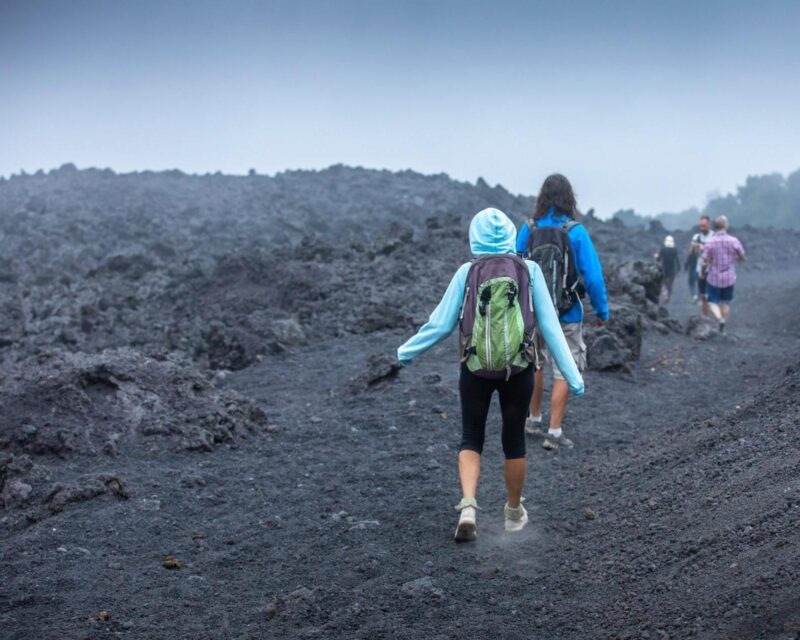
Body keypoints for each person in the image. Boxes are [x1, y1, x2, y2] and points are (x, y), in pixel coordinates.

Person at [397, 208, 584, 542]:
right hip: (520, 369)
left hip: (475, 368)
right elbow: (551, 327)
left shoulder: (467, 272)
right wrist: (572, 375)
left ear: (475, 238)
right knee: (513, 441)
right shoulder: (530, 270)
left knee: (472, 436)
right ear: (510, 236)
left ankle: (468, 506)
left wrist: (406, 352)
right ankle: (513, 513)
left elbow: (440, 325)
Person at [516, 174, 608, 450]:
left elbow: (514, 268)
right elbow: (592, 276)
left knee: (535, 363)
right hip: (567, 314)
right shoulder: (575, 231)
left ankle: (532, 420)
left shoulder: (527, 229)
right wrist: (602, 310)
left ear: (542, 197)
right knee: (563, 370)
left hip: (532, 313)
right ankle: (554, 432)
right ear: (570, 198)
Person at [701, 215, 745, 333]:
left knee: (712, 302)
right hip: (729, 277)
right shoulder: (733, 240)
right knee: (726, 301)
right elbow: (742, 256)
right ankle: (723, 327)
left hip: (714, 277)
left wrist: (701, 272)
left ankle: (720, 319)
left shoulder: (710, 242)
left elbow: (704, 261)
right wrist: (736, 258)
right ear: (725, 225)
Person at [690, 215, 714, 316]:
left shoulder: (715, 236)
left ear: (709, 224)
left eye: (704, 226)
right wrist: (693, 247)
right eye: (700, 226)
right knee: (703, 296)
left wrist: (703, 247)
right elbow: (692, 254)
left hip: (713, 269)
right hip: (700, 270)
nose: (702, 228)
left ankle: (716, 315)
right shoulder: (696, 237)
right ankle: (706, 318)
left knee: (711, 296)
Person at [656, 235, 681, 304]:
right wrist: (679, 268)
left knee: (663, 282)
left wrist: (656, 257)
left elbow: (659, 259)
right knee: (670, 284)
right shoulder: (674, 249)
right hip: (672, 268)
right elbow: (677, 259)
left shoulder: (663, 248)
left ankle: (665, 295)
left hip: (664, 268)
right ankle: (668, 296)